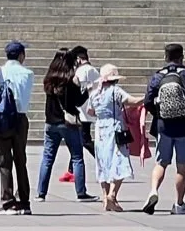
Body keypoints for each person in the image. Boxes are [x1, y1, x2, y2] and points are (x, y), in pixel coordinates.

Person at [139, 43, 185, 215]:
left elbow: (148, 101)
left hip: (164, 127)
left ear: (165, 57)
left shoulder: (158, 76)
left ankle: (153, 191)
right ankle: (179, 204)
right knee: (182, 168)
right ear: (182, 57)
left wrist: (159, 114)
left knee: (161, 163)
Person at [35, 49, 91, 204]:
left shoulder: (49, 79)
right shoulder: (70, 79)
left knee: (47, 158)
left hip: (50, 122)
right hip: (68, 123)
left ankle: (41, 193)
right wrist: (86, 91)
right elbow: (78, 101)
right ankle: (81, 193)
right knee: (77, 157)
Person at [0, 40, 35, 214]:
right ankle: (24, 200)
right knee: (21, 160)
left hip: (1, 119)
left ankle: (8, 201)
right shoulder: (28, 73)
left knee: (4, 161)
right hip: (20, 119)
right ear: (21, 55)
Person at [86, 64, 140, 211]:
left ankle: (105, 197)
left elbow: (90, 111)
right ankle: (112, 195)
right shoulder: (115, 91)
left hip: (100, 129)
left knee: (103, 162)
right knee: (120, 161)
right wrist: (146, 98)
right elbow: (132, 101)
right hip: (115, 129)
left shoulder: (94, 93)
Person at [66, 47, 99, 194]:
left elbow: (78, 91)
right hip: (91, 108)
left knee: (83, 140)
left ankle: (100, 159)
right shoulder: (95, 71)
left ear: (79, 59)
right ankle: (71, 169)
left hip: (81, 110)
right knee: (79, 140)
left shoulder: (80, 72)